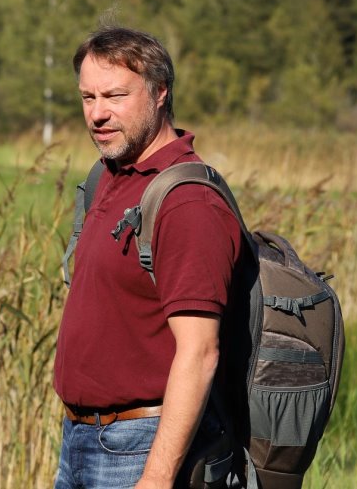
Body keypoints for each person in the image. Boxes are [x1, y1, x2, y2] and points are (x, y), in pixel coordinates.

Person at [54, 26, 245, 489]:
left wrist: (156, 478)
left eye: (115, 96)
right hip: (80, 440)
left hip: (139, 448)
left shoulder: (187, 202)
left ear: (160, 93)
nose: (97, 114)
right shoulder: (109, 176)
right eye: (87, 97)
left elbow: (200, 353)